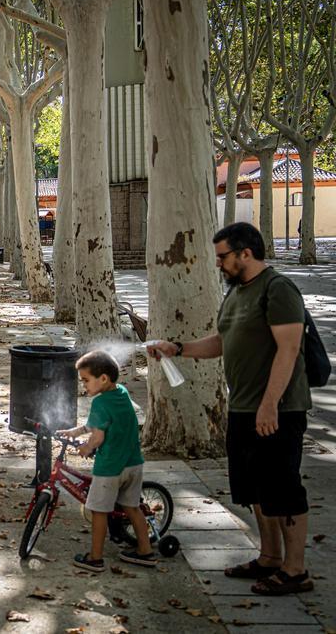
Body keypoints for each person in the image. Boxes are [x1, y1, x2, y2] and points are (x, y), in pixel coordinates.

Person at [148, 221, 312, 596]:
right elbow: (223, 341)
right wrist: (178, 347)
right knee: (254, 489)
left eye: (223, 257)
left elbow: (288, 350)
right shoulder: (237, 293)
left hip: (278, 410)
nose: (219, 263)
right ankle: (269, 558)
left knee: (283, 489)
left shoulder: (278, 289)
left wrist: (269, 404)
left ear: (245, 253)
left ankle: (295, 570)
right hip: (242, 407)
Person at [56, 350, 153, 572]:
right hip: (133, 463)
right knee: (132, 508)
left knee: (98, 511)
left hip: (110, 468)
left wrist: (86, 447)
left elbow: (98, 437)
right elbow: (105, 422)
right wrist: (77, 431)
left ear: (103, 378)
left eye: (86, 381)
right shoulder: (121, 392)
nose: (84, 386)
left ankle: (95, 557)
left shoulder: (99, 403)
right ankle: (145, 551)